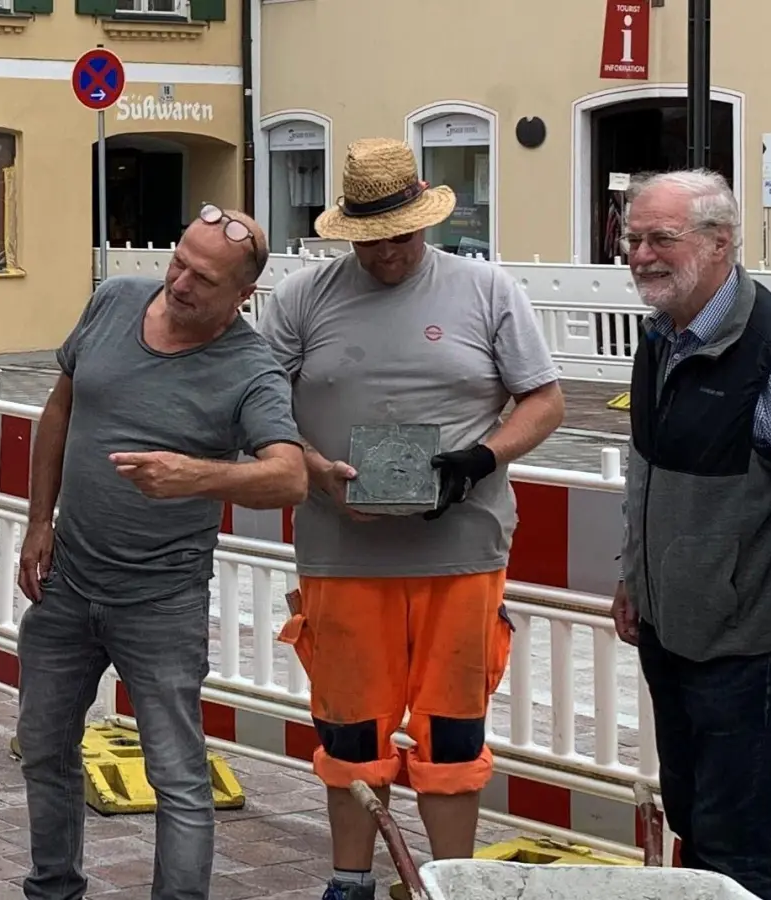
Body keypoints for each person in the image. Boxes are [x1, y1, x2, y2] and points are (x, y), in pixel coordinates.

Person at [258, 137, 564, 900]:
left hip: (461, 549)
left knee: (453, 729)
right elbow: (258, 405)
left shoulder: (488, 291)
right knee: (349, 729)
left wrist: (481, 460)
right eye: (369, 240)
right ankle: (351, 880)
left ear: (424, 221)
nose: (386, 254)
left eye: (400, 237)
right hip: (343, 550)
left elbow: (544, 401)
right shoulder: (303, 299)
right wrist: (313, 467)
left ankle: (445, 884)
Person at [16, 204, 309, 900]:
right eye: (178, 260)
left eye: (202, 278)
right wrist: (38, 524)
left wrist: (198, 475)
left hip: (162, 599)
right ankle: (52, 888)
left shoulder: (250, 366)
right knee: (44, 748)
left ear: (243, 296)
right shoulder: (115, 299)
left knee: (176, 774)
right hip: (68, 579)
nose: (178, 282)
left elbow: (290, 474)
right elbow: (61, 407)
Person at [609, 169, 771, 900]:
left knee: (733, 848)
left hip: (745, 656)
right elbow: (646, 472)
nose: (642, 255)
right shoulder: (661, 335)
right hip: (671, 635)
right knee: (692, 816)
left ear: (719, 243)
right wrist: (634, 574)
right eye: (633, 238)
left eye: (662, 238)